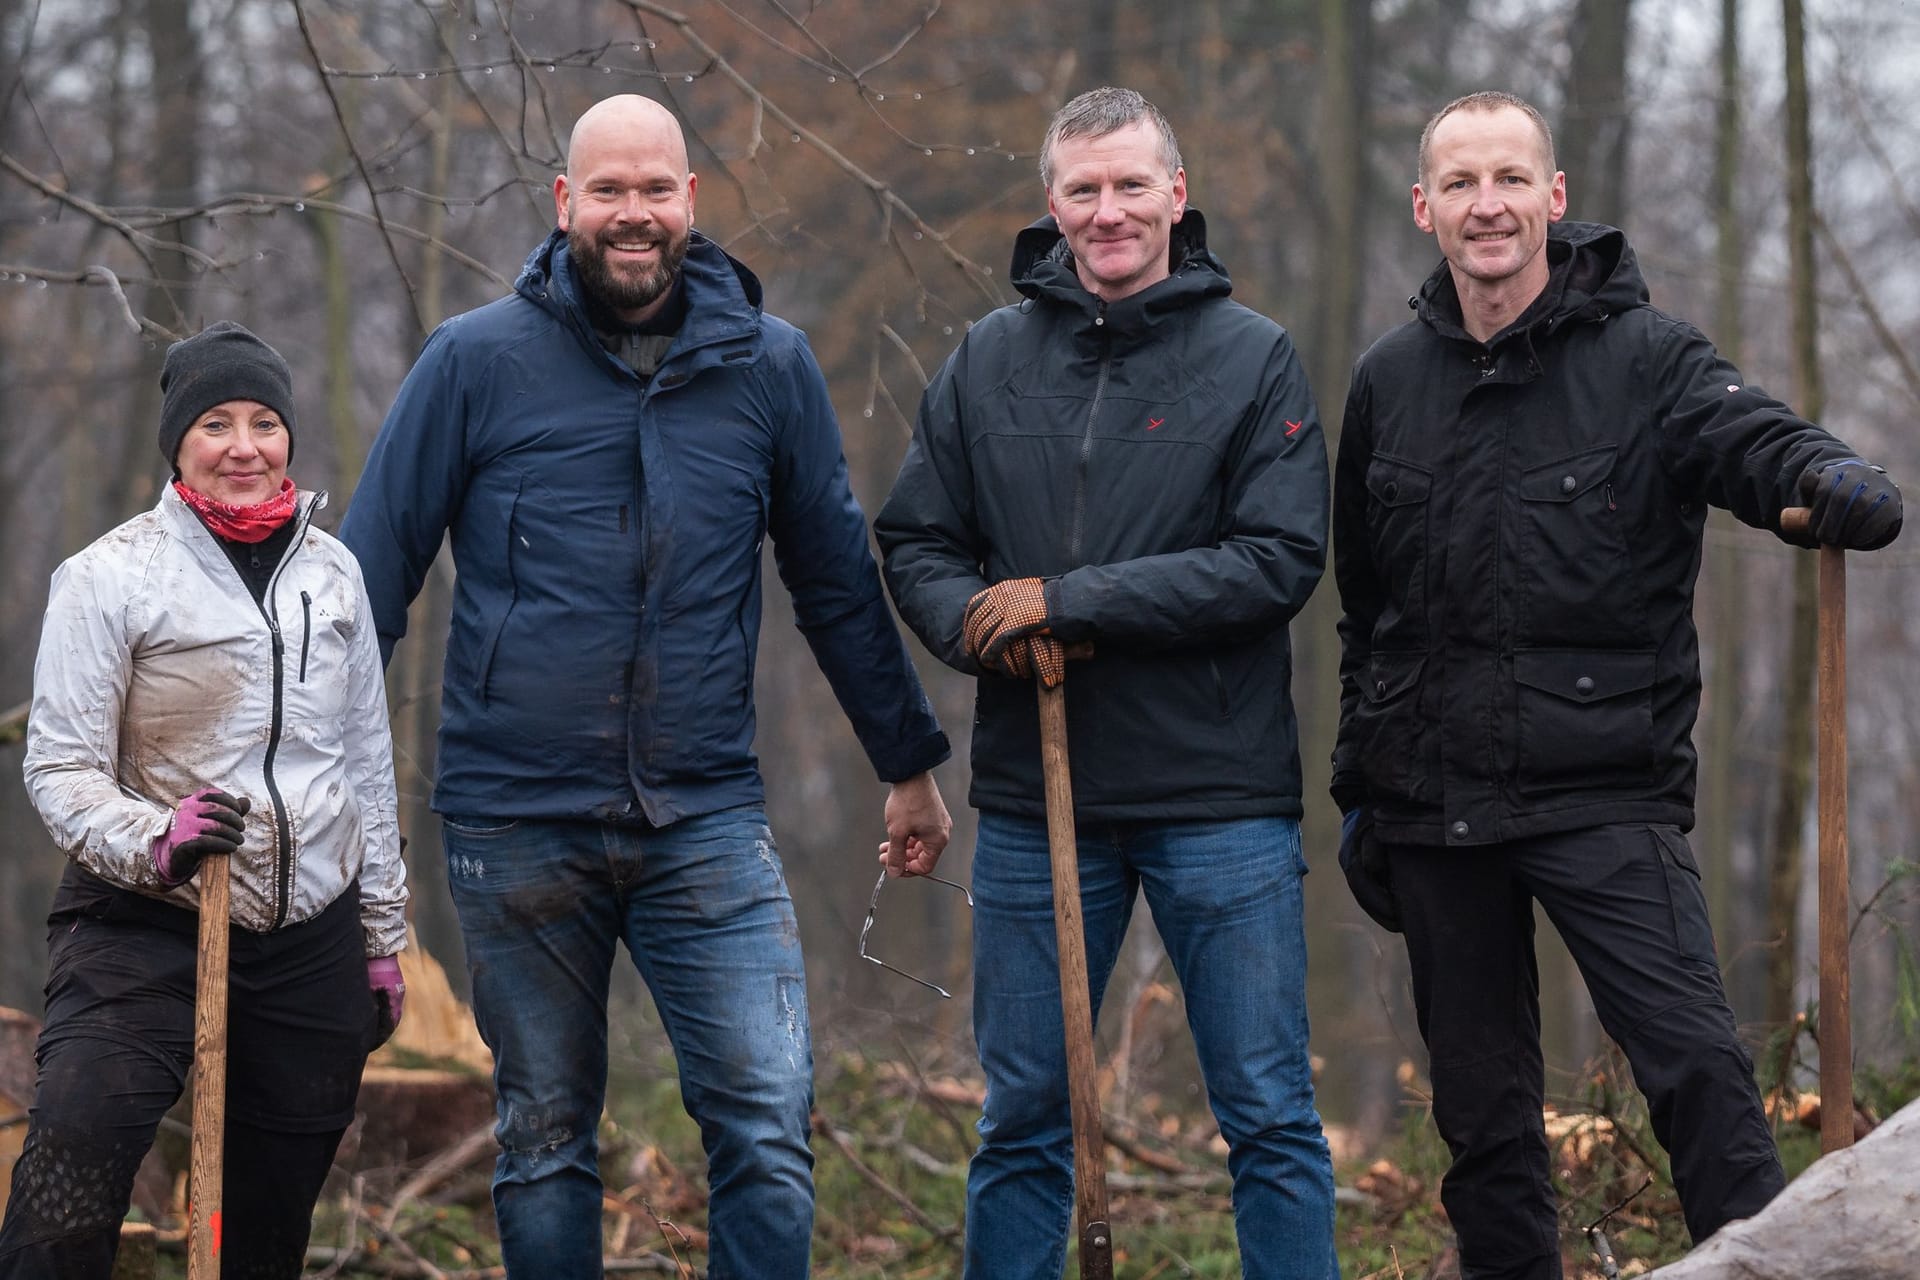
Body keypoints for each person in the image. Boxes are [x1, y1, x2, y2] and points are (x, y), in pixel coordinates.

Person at [338, 94, 953, 1279]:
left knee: (769, 1128)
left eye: (655, 190)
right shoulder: (472, 362)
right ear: (565, 202)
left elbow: (834, 580)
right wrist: (324, 795)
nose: (634, 214)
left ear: (691, 203)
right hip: (512, 821)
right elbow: (368, 584)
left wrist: (909, 763)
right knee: (543, 1137)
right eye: (608, 191)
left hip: (703, 817)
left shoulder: (770, 368)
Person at [1331, 90, 1904, 1279]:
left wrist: (1829, 472)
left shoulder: (1647, 359)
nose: (1487, 205)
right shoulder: (1388, 380)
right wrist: (1359, 787)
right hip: (1434, 802)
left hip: (1603, 790)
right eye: (1461, 182)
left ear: (1554, 196)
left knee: (1695, 1069)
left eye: (1510, 179)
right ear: (1425, 205)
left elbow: (1755, 444)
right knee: (1482, 1125)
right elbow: (1365, 608)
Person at [876, 86, 1339, 1280]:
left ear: (1178, 197)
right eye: (1083, 188)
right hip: (1040, 801)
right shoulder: (990, 359)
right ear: (1053, 205)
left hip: (1219, 794)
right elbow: (916, 539)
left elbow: (1276, 559)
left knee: (1268, 1111)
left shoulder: (1254, 357)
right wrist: (978, 629)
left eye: (1132, 184)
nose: (1109, 209)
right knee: (1023, 1113)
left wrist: (1071, 604)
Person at [2, 322, 410, 1280]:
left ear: (289, 440)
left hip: (310, 930)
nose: (243, 446)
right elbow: (56, 768)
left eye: (264, 422)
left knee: (265, 1218)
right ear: (179, 442)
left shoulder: (333, 575)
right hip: (141, 919)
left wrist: (381, 936)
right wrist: (157, 836)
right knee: (78, 1145)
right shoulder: (110, 577)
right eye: (216, 423)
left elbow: (365, 764)